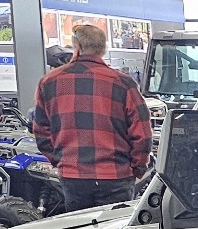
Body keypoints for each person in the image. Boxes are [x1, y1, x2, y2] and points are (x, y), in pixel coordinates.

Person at [29, 20, 151, 213]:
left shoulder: (48, 82)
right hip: (116, 176)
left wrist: (61, 161)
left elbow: (41, 132)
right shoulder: (124, 83)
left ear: (77, 47)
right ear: (103, 49)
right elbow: (142, 133)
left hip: (73, 177)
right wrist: (137, 168)